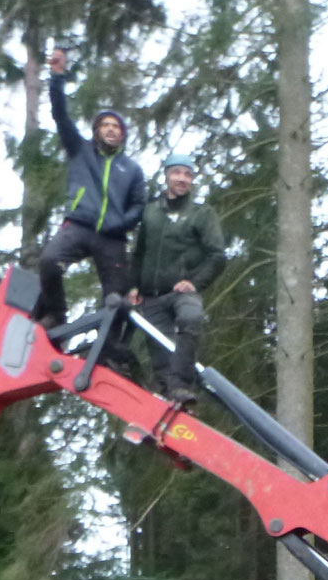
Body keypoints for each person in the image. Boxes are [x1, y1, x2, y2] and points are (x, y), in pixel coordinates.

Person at [33, 47, 145, 328]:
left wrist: (120, 224)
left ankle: (108, 354)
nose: (111, 130)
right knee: (49, 262)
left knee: (116, 301)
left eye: (116, 127)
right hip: (79, 225)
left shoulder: (131, 169)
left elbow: (139, 205)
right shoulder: (80, 150)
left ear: (122, 135)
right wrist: (57, 76)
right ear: (97, 131)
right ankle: (56, 313)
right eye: (105, 125)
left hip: (112, 238)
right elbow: (60, 115)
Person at [124, 153, 226, 403]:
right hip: (150, 297)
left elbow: (217, 256)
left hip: (182, 292)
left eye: (188, 174)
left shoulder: (202, 213)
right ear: (167, 175)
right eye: (177, 173)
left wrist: (195, 282)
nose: (182, 179)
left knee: (191, 318)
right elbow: (139, 253)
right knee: (160, 353)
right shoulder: (150, 212)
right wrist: (133, 285)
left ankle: (182, 382)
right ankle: (170, 397)